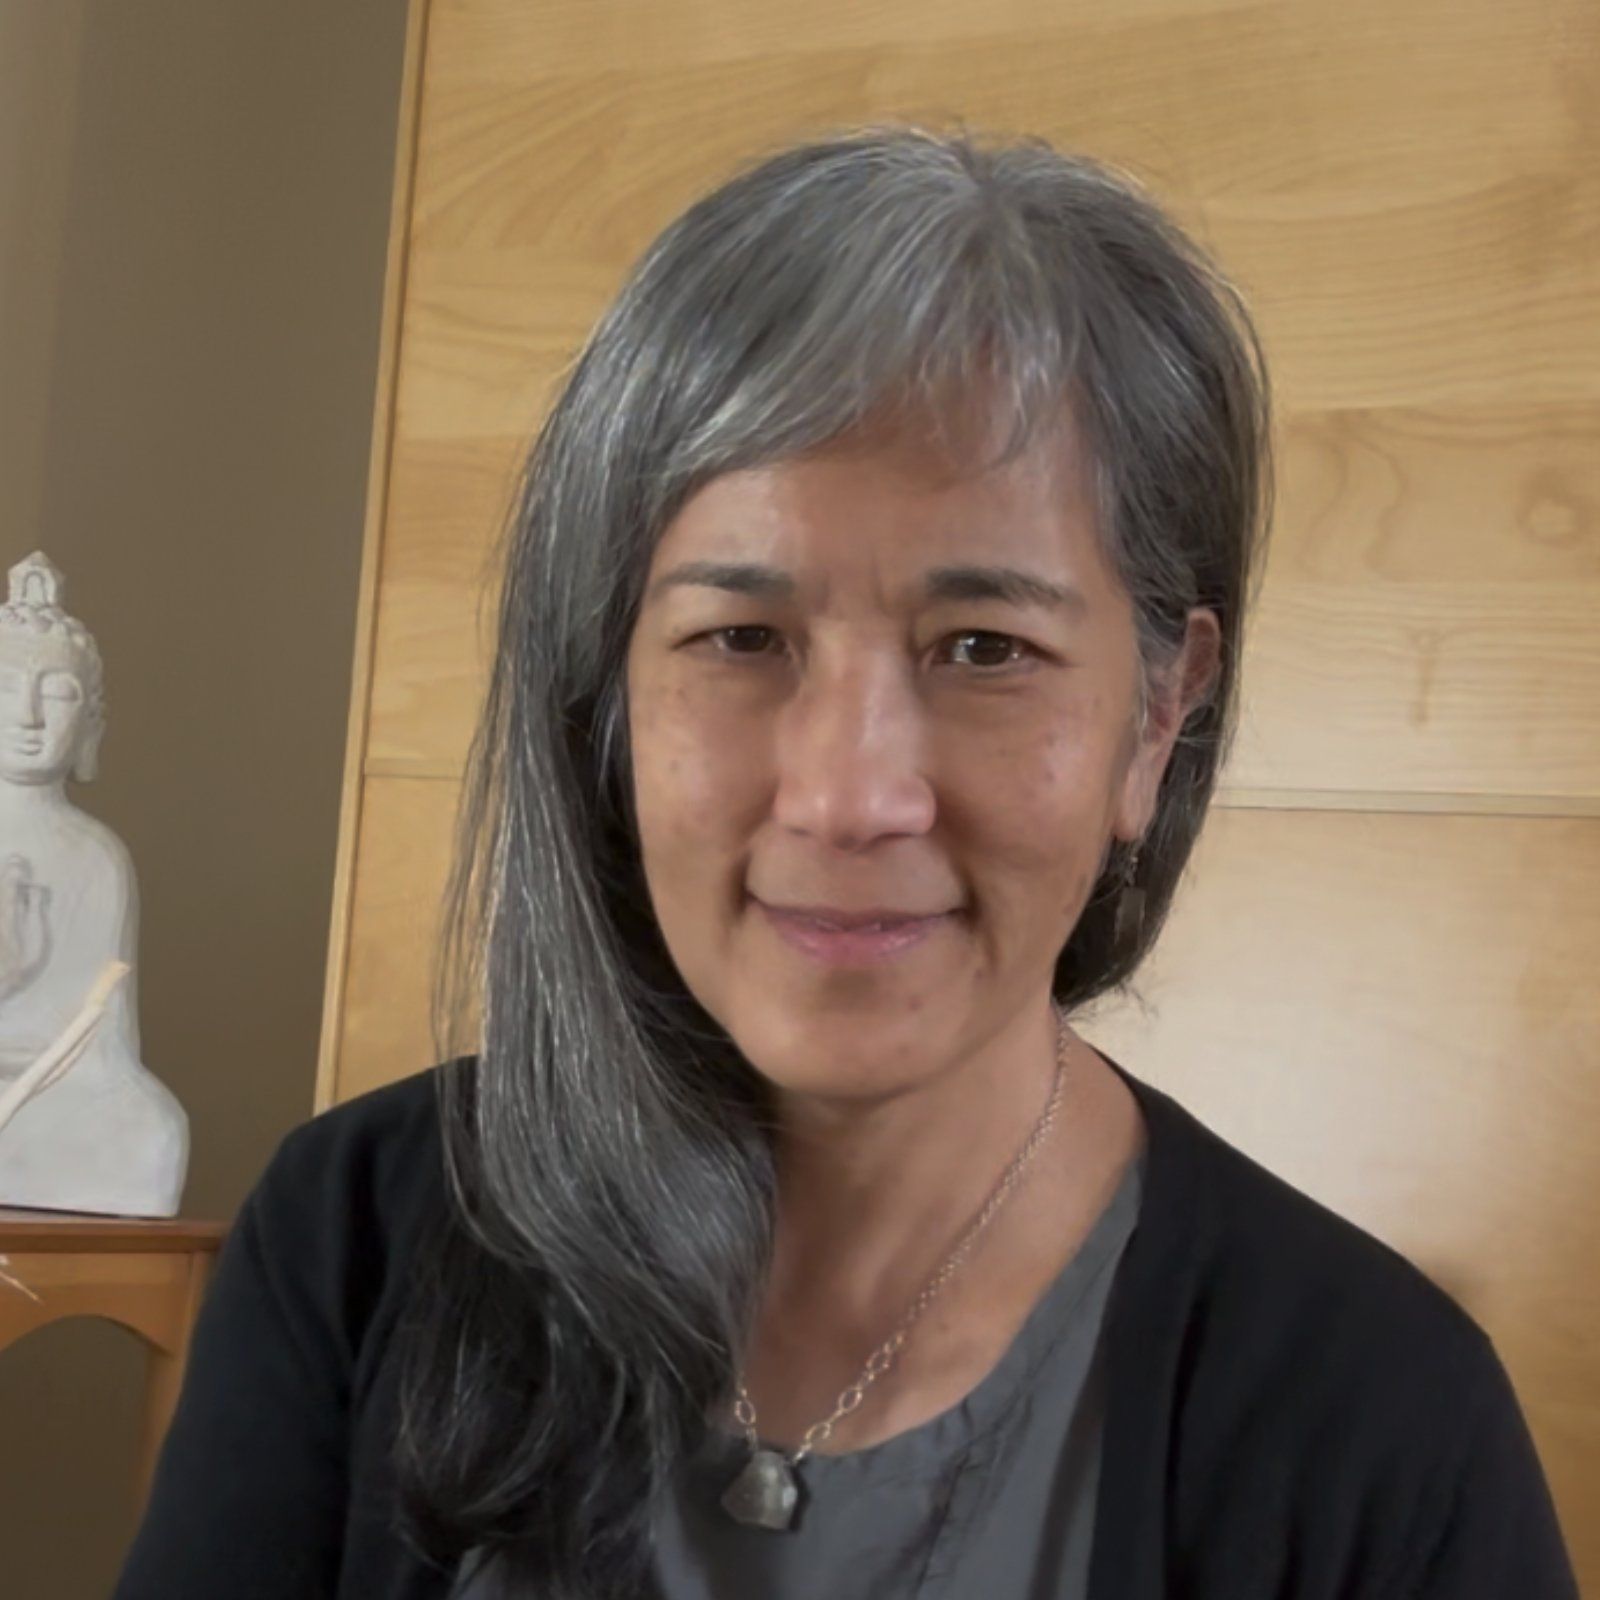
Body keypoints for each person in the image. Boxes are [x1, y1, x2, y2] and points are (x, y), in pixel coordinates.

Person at [112, 126, 1579, 1600]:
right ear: (608, 699)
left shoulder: (1387, 1427)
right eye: (741, 639)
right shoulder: (354, 1247)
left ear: (1157, 717)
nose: (848, 794)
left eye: (985, 649)